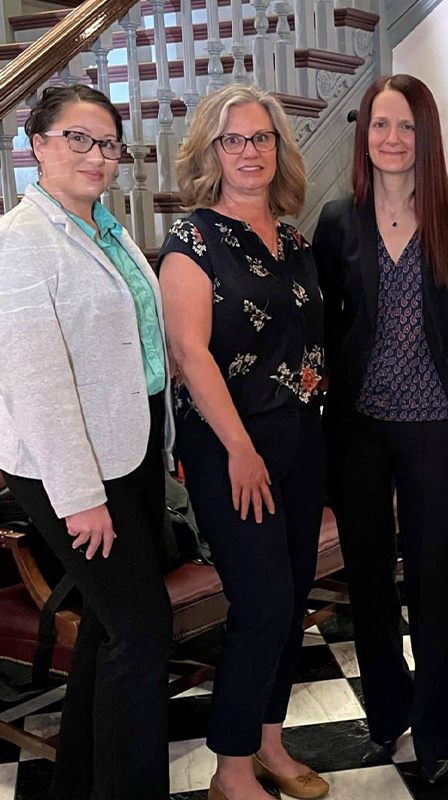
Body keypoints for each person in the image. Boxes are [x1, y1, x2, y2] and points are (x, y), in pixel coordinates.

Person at [312, 74, 448, 785]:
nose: (392, 139)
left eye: (407, 127)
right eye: (381, 125)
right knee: (370, 583)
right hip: (358, 430)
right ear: (365, 136)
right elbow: (324, 329)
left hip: (436, 430)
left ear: (426, 137)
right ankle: (387, 719)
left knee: (438, 581)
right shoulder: (336, 221)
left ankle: (437, 731)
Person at [0, 85, 174, 800]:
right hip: (68, 470)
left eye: (106, 143)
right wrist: (80, 497)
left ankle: (78, 784)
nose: (96, 156)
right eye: (78, 138)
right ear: (36, 144)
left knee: (110, 629)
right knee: (141, 630)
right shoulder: (19, 242)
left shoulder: (107, 227)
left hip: (129, 451)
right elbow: (35, 382)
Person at [158, 84, 328, 800]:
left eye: (261, 138)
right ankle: (230, 770)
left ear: (279, 150)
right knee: (259, 605)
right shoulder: (190, 241)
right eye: (234, 140)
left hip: (300, 443)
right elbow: (190, 354)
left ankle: (270, 744)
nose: (249, 152)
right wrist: (240, 448)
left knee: (289, 603)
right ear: (210, 152)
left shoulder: (293, 239)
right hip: (231, 451)